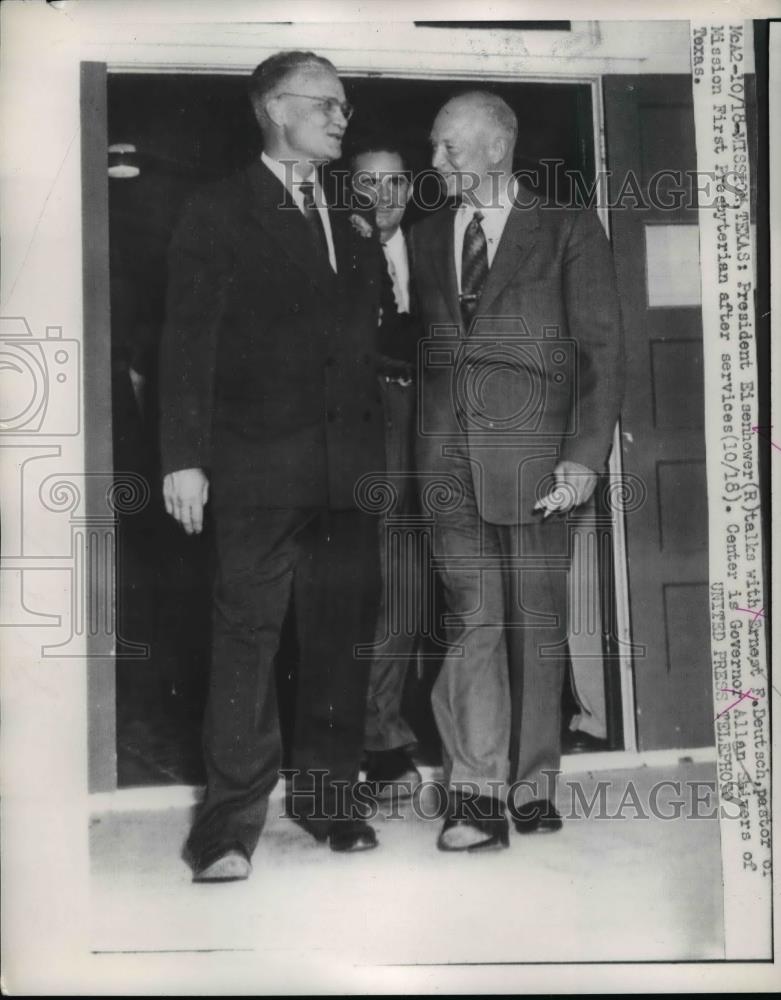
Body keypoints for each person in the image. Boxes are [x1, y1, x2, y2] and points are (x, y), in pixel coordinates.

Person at [159, 50, 389, 881]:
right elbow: (186, 344)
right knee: (246, 641)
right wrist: (182, 458)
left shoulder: (354, 218)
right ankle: (225, 829)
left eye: (344, 107)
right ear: (274, 109)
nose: (341, 119)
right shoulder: (216, 210)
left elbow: (369, 347)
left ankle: (331, 802)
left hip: (346, 472)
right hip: (253, 470)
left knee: (339, 640)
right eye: (326, 105)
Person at [412, 91, 624, 851]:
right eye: (434, 149)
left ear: (496, 149)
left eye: (448, 149)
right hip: (445, 461)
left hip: (538, 462)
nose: (434, 163)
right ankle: (474, 794)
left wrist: (582, 458)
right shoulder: (428, 233)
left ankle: (531, 785)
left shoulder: (566, 227)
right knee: (470, 620)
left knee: (533, 624)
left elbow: (600, 351)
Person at [348, 139, 422, 799]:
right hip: (357, 438)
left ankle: (384, 730)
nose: (383, 196)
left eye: (395, 182)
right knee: (356, 588)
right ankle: (364, 736)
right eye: (368, 184)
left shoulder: (433, 250)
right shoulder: (332, 251)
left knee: (406, 587)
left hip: (431, 431)